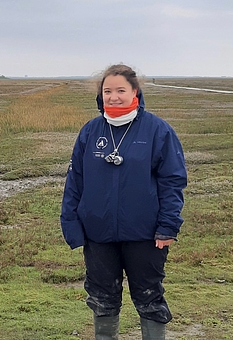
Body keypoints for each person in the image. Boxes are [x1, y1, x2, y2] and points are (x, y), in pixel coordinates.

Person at [60, 64, 186, 340]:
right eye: (107, 91)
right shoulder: (90, 132)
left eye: (120, 90)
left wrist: (168, 226)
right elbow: (75, 182)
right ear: (100, 95)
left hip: (146, 234)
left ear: (135, 92)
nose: (113, 97)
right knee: (102, 299)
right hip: (99, 235)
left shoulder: (157, 131)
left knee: (149, 298)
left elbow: (172, 182)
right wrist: (71, 226)